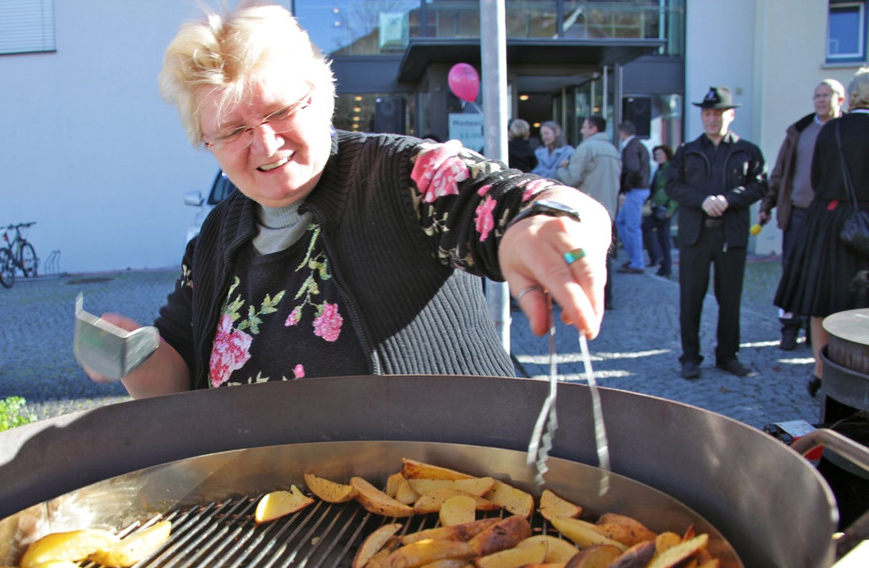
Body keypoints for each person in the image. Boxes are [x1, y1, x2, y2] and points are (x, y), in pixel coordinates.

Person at [81, 3, 609, 397]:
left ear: (320, 96)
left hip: (437, 484)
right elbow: (177, 377)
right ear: (207, 142)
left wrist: (550, 221)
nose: (265, 144)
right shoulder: (216, 234)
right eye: (234, 130)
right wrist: (133, 355)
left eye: (279, 111)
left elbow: (515, 200)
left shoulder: (405, 174)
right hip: (269, 502)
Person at [773, 67, 869, 397]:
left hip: (827, 220)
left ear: (851, 96)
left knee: (821, 300)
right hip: (864, 222)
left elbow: (815, 179)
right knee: (861, 303)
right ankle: (860, 371)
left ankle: (820, 371)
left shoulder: (830, 130)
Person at [666, 86, 768, 380]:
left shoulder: (747, 151)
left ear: (730, 115)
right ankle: (690, 358)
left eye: (719, 113)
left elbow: (760, 186)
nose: (712, 118)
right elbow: (672, 186)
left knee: (730, 299)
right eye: (708, 113)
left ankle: (727, 355)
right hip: (695, 235)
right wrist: (703, 200)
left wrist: (729, 199)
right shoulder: (687, 151)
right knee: (691, 299)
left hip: (731, 235)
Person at [760, 79, 846, 351]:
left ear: (840, 100)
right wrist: (768, 203)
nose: (820, 100)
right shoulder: (800, 131)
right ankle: (789, 328)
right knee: (793, 272)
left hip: (832, 216)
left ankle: (816, 330)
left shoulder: (846, 130)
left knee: (824, 273)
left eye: (826, 95)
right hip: (798, 212)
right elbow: (781, 171)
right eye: (817, 95)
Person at [556, 115, 621, 309]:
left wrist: (560, 169)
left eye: (584, 127)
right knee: (603, 257)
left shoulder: (586, 148)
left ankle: (581, 299)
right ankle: (605, 298)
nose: (581, 131)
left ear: (593, 129)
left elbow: (572, 179)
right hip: (608, 210)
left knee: (578, 254)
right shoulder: (613, 150)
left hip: (586, 209)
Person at [615, 120, 651, 274]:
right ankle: (634, 259)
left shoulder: (630, 147)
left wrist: (625, 186)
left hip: (635, 189)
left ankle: (637, 263)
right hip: (639, 189)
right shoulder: (639, 145)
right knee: (622, 222)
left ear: (622, 133)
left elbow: (633, 169)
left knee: (631, 227)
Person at [641, 145, 678, 278]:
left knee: (662, 236)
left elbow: (674, 189)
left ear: (667, 154)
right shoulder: (659, 170)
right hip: (658, 206)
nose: (658, 157)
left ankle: (662, 264)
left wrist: (671, 209)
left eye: (660, 154)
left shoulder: (670, 169)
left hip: (665, 207)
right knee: (660, 235)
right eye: (656, 154)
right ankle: (662, 264)